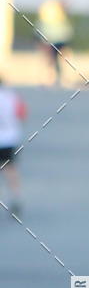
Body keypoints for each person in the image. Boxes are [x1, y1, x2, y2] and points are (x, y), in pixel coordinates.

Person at [0, 78, 26, 216]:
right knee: (10, 169)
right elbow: (22, 114)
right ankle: (16, 197)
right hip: (9, 137)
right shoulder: (12, 96)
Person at [37, 0, 73, 85]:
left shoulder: (55, 15)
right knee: (52, 59)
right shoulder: (57, 14)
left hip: (54, 39)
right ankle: (51, 77)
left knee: (52, 59)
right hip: (54, 39)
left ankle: (52, 77)